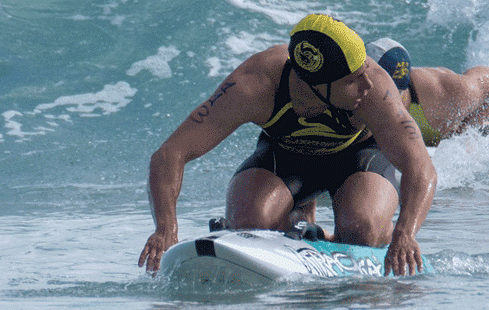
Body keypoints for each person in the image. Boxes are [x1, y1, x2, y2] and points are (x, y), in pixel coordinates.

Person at [137, 14, 437, 276]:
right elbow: (169, 155)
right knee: (248, 221)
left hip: (359, 158)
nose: (367, 84)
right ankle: (296, 225)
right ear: (315, 84)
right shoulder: (255, 84)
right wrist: (166, 229)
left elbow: (421, 167)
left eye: (365, 72)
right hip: (289, 156)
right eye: (354, 79)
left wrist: (405, 232)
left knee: (364, 228)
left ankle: (321, 236)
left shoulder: (375, 88)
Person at [365, 38, 489, 145]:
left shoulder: (450, 93)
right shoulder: (355, 93)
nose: (389, 102)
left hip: (462, 120)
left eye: (395, 93)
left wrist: (472, 124)